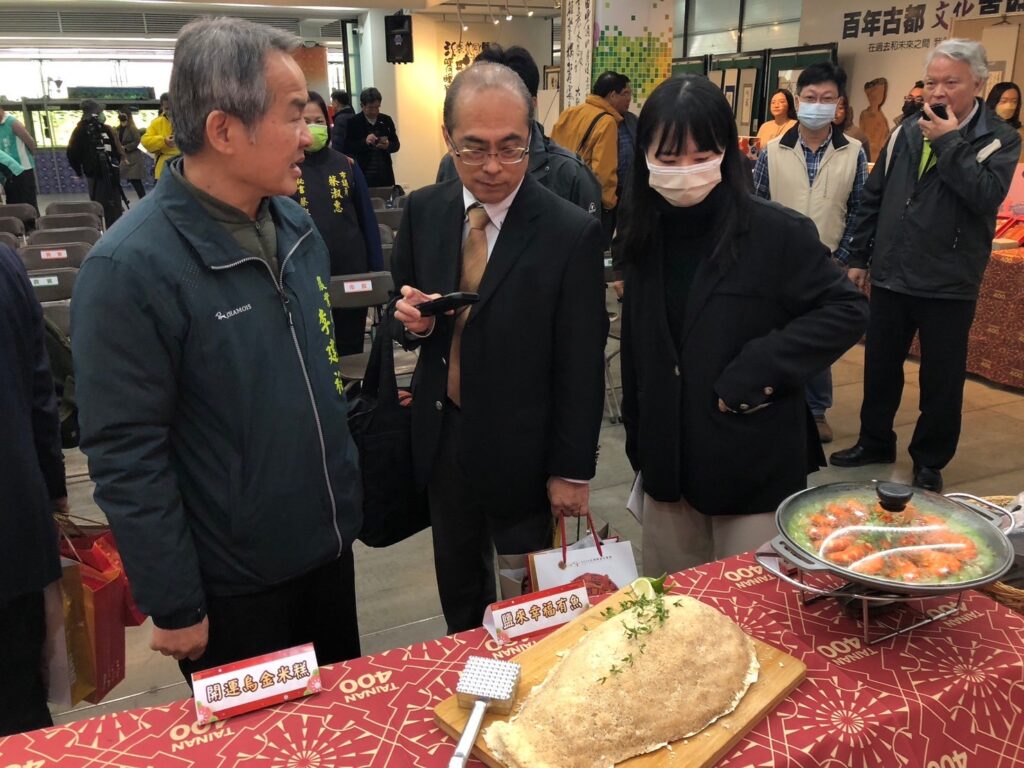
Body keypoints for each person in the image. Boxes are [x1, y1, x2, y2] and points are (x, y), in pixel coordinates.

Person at [71, 16, 364, 679]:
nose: (310, 134)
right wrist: (173, 598)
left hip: (325, 552)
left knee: (342, 724)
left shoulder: (295, 226)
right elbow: (125, 452)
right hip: (231, 586)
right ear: (224, 131)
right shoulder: (130, 268)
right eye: (292, 116)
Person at [617, 74, 868, 576]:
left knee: (751, 603)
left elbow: (847, 310)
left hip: (751, 455)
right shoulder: (643, 233)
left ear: (726, 153)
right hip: (668, 461)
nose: (685, 172)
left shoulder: (776, 231)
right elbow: (639, 343)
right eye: (668, 158)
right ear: (644, 157)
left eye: (701, 156)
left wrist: (760, 368)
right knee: (673, 605)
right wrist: (639, 436)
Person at [391, 62, 607, 633]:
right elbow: (401, 308)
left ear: (531, 135)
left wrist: (572, 469)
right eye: (474, 148)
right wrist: (414, 325)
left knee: (528, 602)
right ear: (447, 138)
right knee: (459, 590)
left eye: (511, 148)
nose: (492, 166)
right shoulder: (425, 211)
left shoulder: (568, 231)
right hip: (444, 437)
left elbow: (581, 362)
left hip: (526, 450)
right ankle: (470, 668)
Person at [831, 39, 1021, 492]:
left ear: (978, 84)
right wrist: (859, 255)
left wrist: (950, 141)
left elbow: (985, 195)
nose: (937, 92)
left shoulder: (999, 137)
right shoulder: (906, 130)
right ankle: (874, 440)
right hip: (893, 270)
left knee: (941, 378)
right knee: (879, 366)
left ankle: (930, 460)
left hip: (949, 280)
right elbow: (875, 195)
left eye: (950, 82)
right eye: (931, 82)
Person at [753, 62, 869, 444]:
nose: (817, 104)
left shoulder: (853, 152)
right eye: (810, 97)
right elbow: (756, 203)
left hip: (828, 262)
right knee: (773, 333)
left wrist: (847, 257)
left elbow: (860, 209)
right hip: (775, 261)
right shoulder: (773, 150)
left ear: (839, 103)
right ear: (798, 100)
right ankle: (771, 401)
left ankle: (817, 411)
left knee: (817, 337)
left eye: (826, 98)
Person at [0, 244, 65, 736]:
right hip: (13, 528)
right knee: (20, 713)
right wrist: (53, 489)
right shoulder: (4, 263)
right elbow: (41, 392)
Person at [435, 44, 601, 218]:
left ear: (531, 103)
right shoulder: (451, 163)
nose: (492, 167)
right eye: (476, 150)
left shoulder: (570, 174)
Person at [294, 89, 384, 354]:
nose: (313, 127)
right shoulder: (285, 168)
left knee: (350, 348)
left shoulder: (347, 165)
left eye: (319, 121)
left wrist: (375, 270)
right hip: (305, 275)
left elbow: (367, 222)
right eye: (305, 121)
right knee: (314, 349)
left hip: (350, 271)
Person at [551, 71, 628, 241]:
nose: (629, 99)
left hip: (560, 191)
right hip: (587, 198)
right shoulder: (607, 122)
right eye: (625, 93)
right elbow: (603, 172)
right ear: (612, 95)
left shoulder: (570, 112)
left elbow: (552, 146)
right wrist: (608, 204)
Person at [66, 99, 125, 228]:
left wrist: (79, 171)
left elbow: (72, 153)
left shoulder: (81, 130)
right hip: (105, 175)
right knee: (110, 207)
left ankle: (107, 228)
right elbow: (116, 151)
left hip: (99, 176)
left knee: (102, 206)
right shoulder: (101, 129)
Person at [343, 87, 400, 188]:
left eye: (377, 107)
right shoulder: (353, 122)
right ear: (362, 106)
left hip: (385, 173)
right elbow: (347, 147)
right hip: (363, 173)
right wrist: (365, 142)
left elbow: (396, 145)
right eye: (370, 107)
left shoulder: (386, 120)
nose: (374, 111)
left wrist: (388, 146)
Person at [0, 107, 38, 212]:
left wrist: (31, 156)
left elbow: (29, 141)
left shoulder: (12, 122)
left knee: (28, 202)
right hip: (7, 172)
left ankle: (33, 221)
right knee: (13, 202)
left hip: (23, 168)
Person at [140, 93, 181, 180]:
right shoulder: (156, 122)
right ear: (162, 107)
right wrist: (163, 141)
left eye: (173, 108)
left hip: (184, 167)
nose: (170, 111)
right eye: (167, 108)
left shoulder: (188, 121)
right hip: (163, 169)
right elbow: (145, 141)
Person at [986, 81, 1024, 160]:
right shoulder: (979, 128)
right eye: (1003, 101)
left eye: (1014, 102)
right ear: (994, 102)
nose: (1009, 106)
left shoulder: (1020, 133)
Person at [117, 109, 146, 200]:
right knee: (126, 179)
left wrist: (125, 147)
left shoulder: (132, 128)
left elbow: (137, 141)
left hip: (133, 158)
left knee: (136, 181)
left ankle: (143, 199)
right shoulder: (118, 129)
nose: (121, 116)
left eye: (123, 114)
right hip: (124, 158)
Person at [834, 95, 871, 162]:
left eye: (840, 108)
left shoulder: (856, 135)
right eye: (832, 107)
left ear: (846, 110)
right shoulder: (823, 133)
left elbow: (866, 164)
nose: (835, 112)